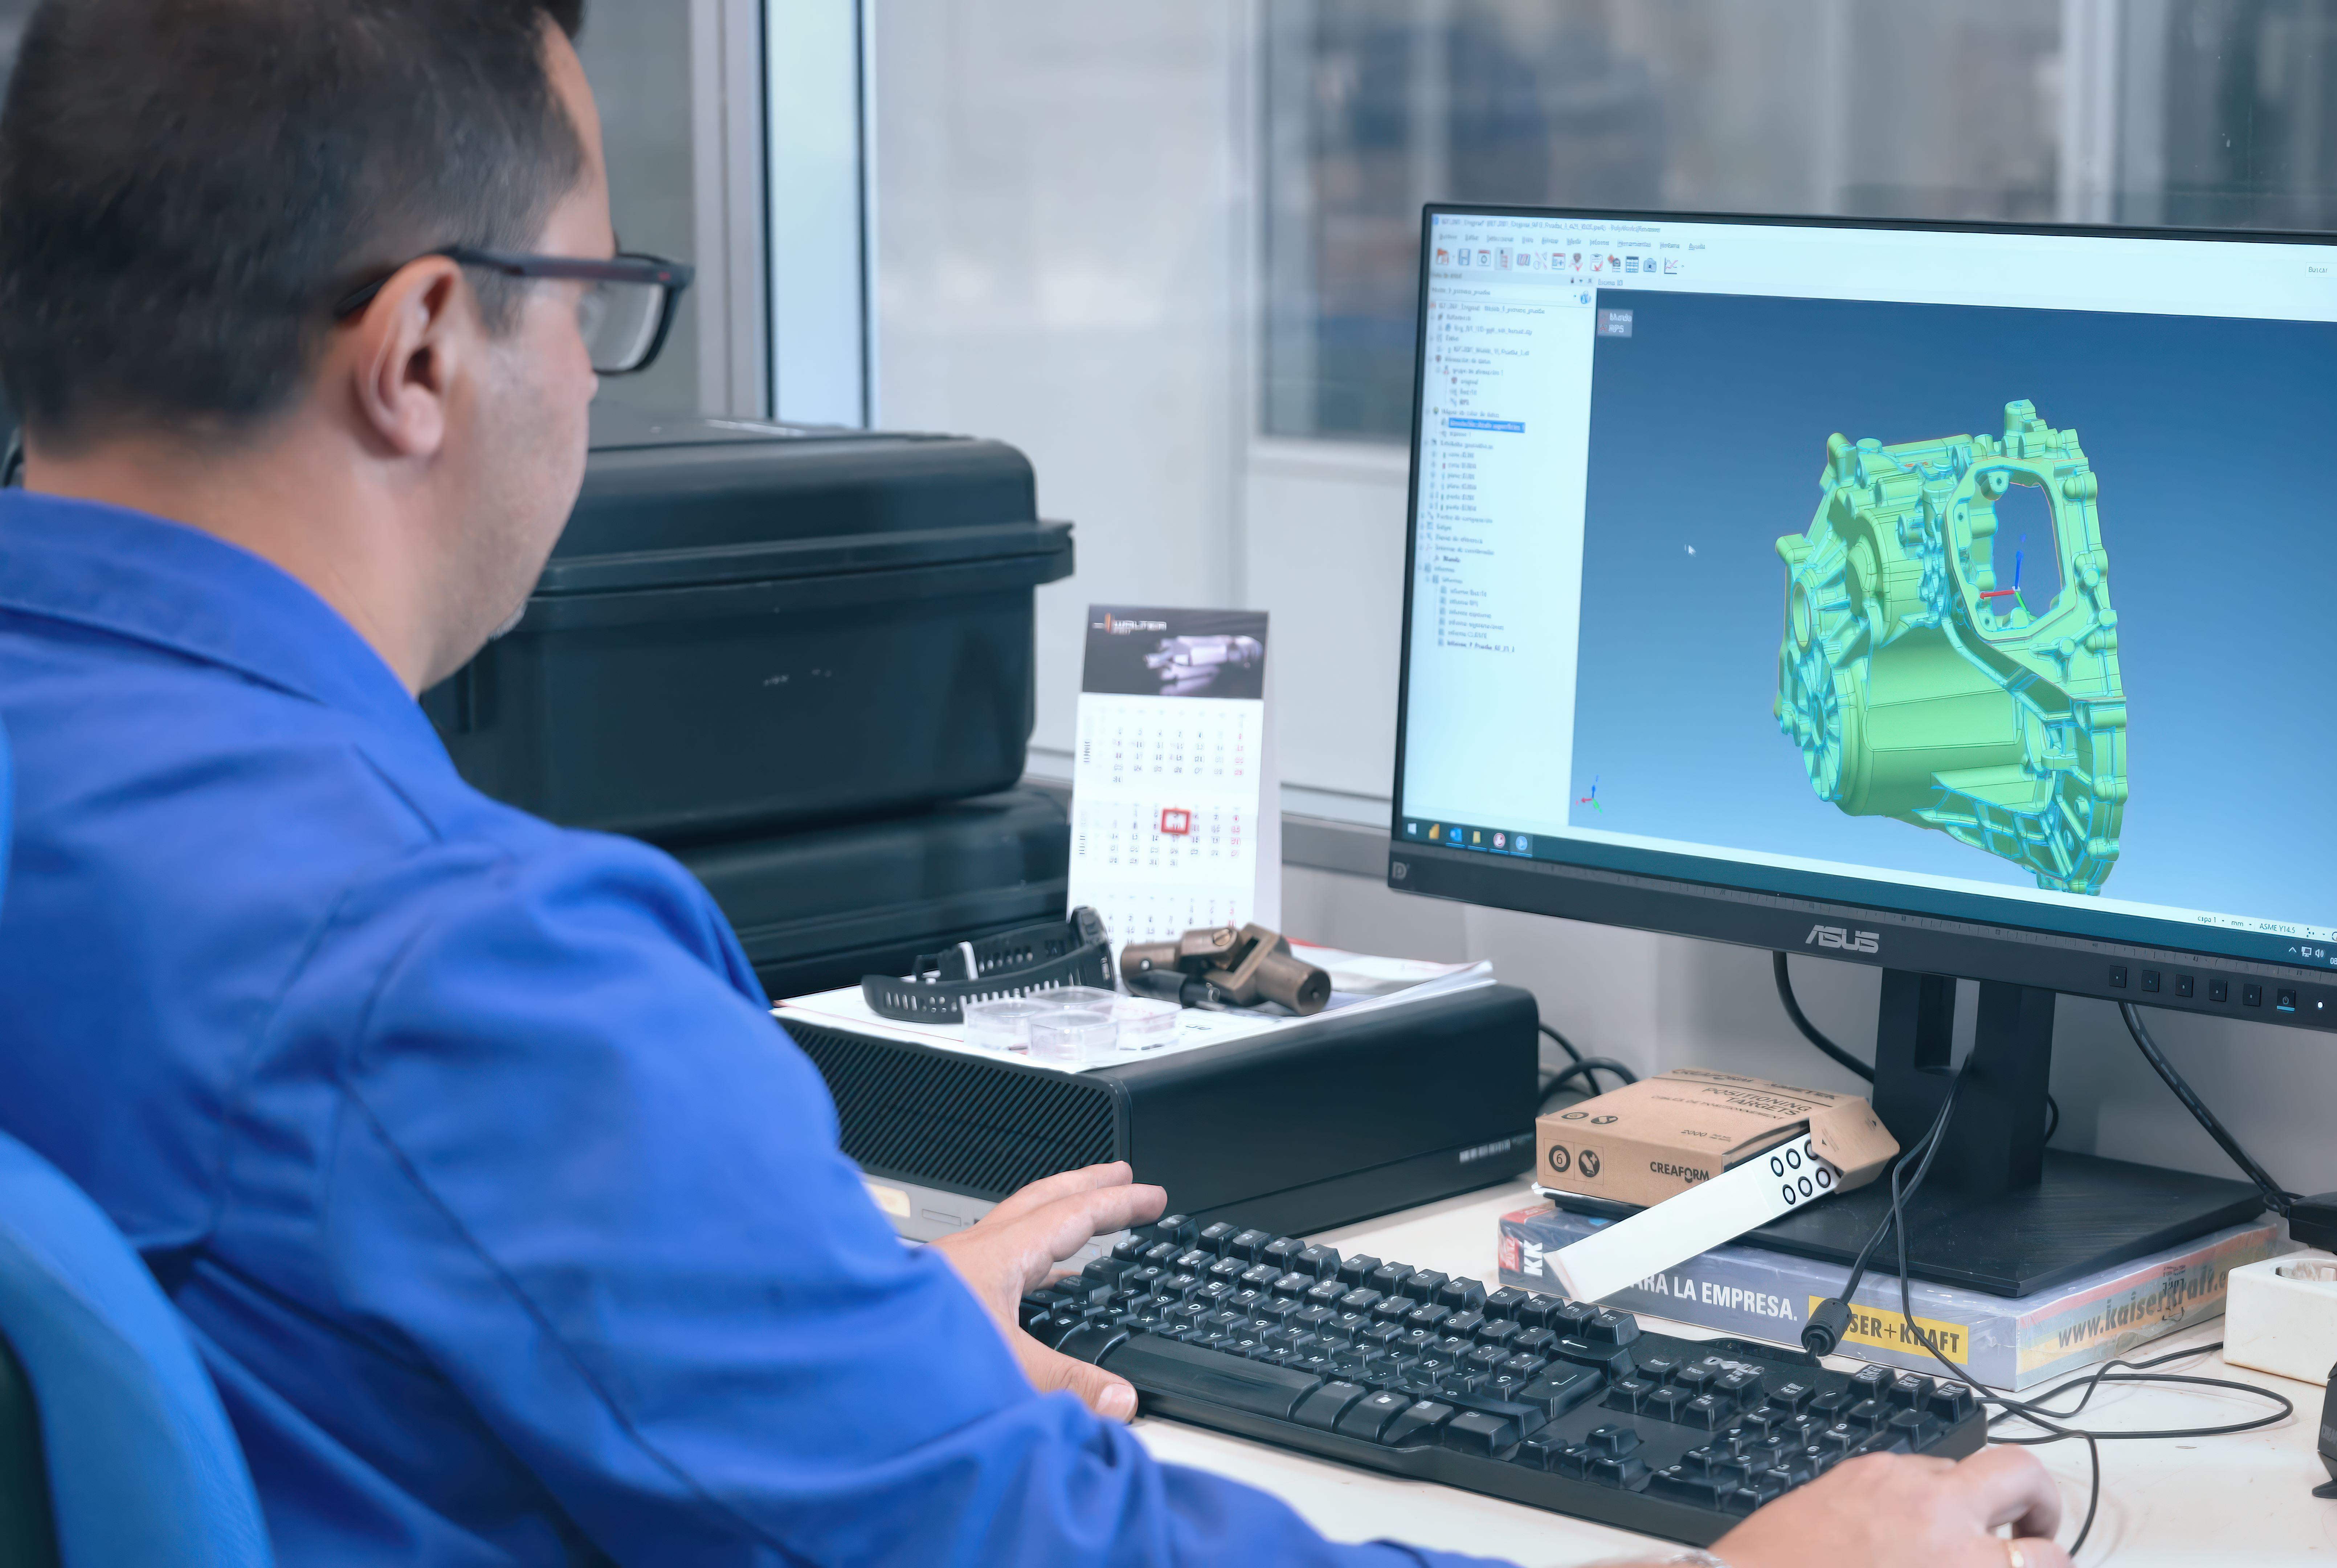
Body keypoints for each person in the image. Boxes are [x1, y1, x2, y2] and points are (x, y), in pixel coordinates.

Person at [0, 2, 2073, 1564]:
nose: (587, 377)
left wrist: (825, 1334)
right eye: (599, 303)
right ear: (428, 346)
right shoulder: (470, 974)